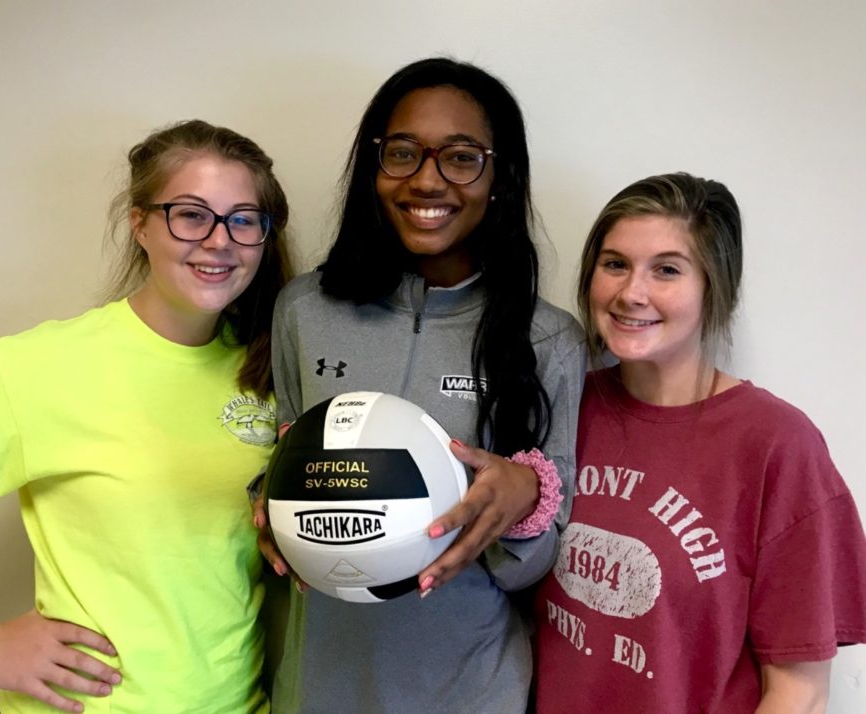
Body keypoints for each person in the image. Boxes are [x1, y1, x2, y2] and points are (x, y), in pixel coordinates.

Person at [253, 57, 586, 713]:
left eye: (461, 158)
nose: (428, 180)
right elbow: (283, 462)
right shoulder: (304, 311)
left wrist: (522, 500)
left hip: (471, 691)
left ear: (500, 176)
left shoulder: (548, 340)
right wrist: (271, 505)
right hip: (318, 687)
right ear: (374, 166)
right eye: (403, 152)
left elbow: (532, 568)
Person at [0, 120, 291, 713]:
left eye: (244, 219)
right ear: (140, 224)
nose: (220, 240)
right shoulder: (35, 368)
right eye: (191, 214)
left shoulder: (268, 375)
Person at [533, 172, 866, 713]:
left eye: (666, 270)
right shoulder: (563, 406)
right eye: (615, 263)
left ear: (715, 285)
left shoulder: (777, 446)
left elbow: (799, 693)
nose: (630, 293)